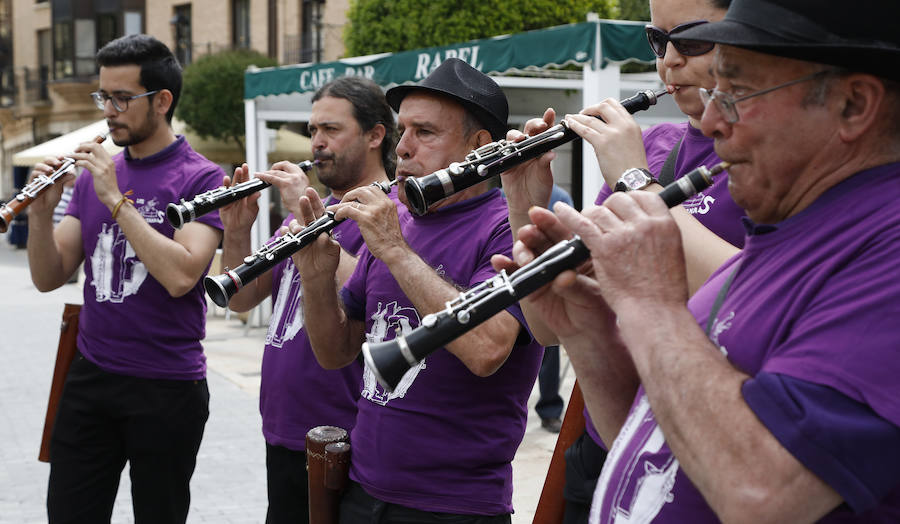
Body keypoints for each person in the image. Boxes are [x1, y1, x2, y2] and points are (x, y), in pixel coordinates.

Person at [499, 0, 900, 521]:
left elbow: (763, 496)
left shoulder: (882, 246)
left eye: (736, 92)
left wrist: (651, 303)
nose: (709, 121)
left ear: (853, 105)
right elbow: (661, 446)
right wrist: (589, 335)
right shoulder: (788, 225)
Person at [502, 0, 741, 520]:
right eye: (659, 41)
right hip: (611, 434)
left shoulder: (754, 157)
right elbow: (547, 331)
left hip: (710, 449)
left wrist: (636, 182)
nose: (669, 61)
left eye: (692, 39)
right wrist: (526, 198)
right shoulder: (651, 146)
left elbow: (751, 295)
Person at [291, 58, 543, 523]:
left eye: (424, 132)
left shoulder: (511, 229)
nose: (402, 149)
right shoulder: (399, 219)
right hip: (362, 490)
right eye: (401, 129)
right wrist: (315, 274)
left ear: (478, 147)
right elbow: (335, 353)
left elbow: (487, 348)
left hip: (454, 505)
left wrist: (395, 250)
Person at [25, 34, 224, 523]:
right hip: (91, 373)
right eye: (103, 97)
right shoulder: (98, 176)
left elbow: (182, 276)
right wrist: (39, 215)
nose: (109, 111)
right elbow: (49, 276)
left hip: (167, 386)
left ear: (161, 101)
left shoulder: (203, 178)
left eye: (121, 98)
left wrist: (116, 199)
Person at [219, 75, 397, 524]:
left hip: (343, 434)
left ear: (376, 135)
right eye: (313, 130)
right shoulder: (307, 213)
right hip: (284, 429)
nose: (317, 143)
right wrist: (237, 229)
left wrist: (313, 216)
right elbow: (243, 301)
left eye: (331, 130)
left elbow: (378, 294)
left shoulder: (390, 214)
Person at [534, 184, 574, 434]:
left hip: (547, 280)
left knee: (549, 353)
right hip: (510, 276)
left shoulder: (560, 198)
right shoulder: (504, 194)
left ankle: (549, 411)